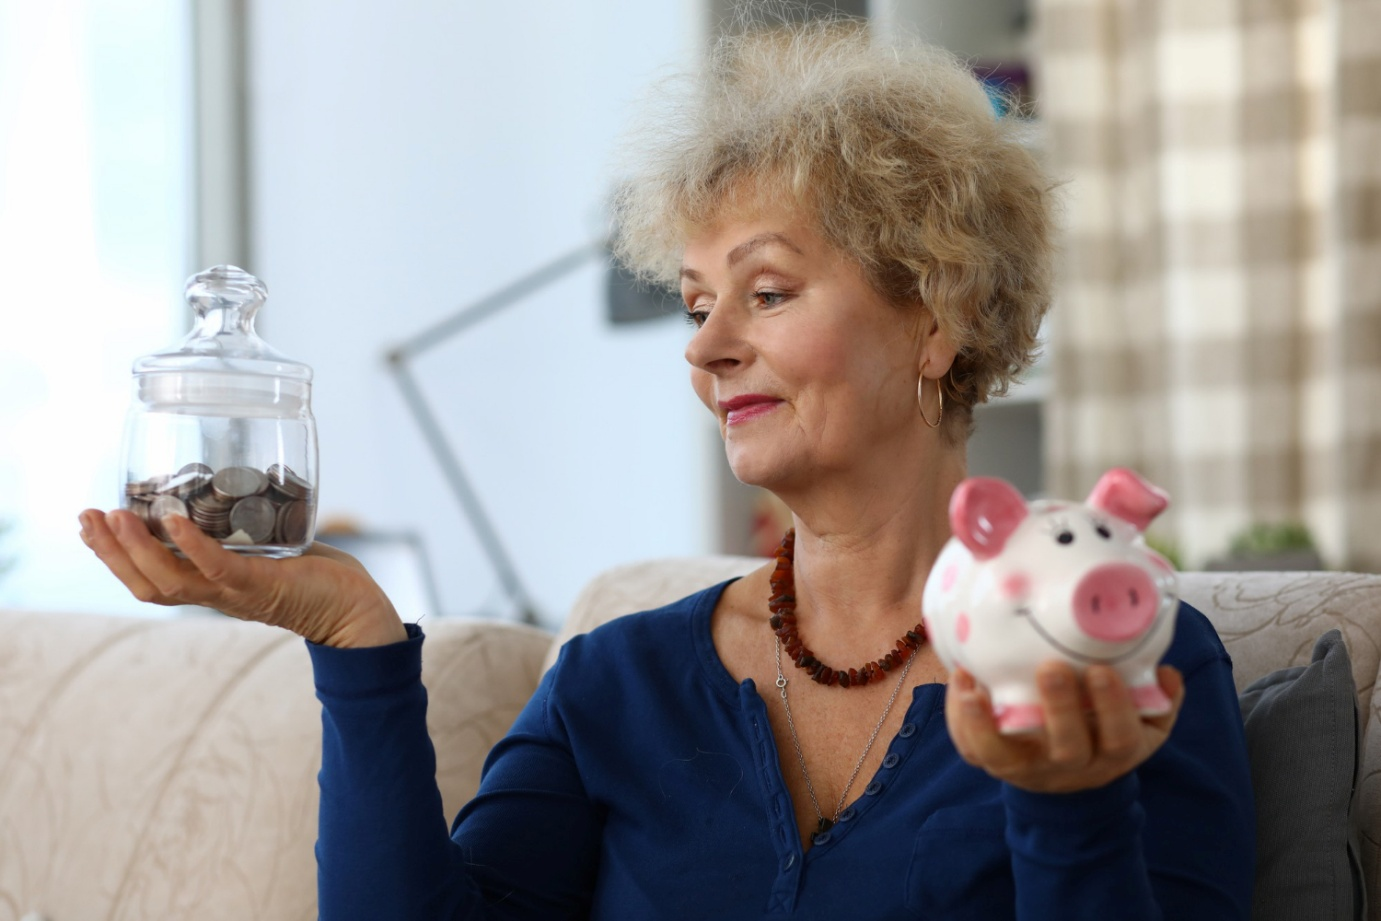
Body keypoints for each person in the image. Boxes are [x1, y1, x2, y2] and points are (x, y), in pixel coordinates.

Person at [77, 16, 1255, 920]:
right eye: (696, 304)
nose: (704, 344)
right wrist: (354, 644)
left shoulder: (1120, 657)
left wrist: (1069, 805)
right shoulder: (616, 683)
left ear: (935, 317)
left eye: (769, 292)